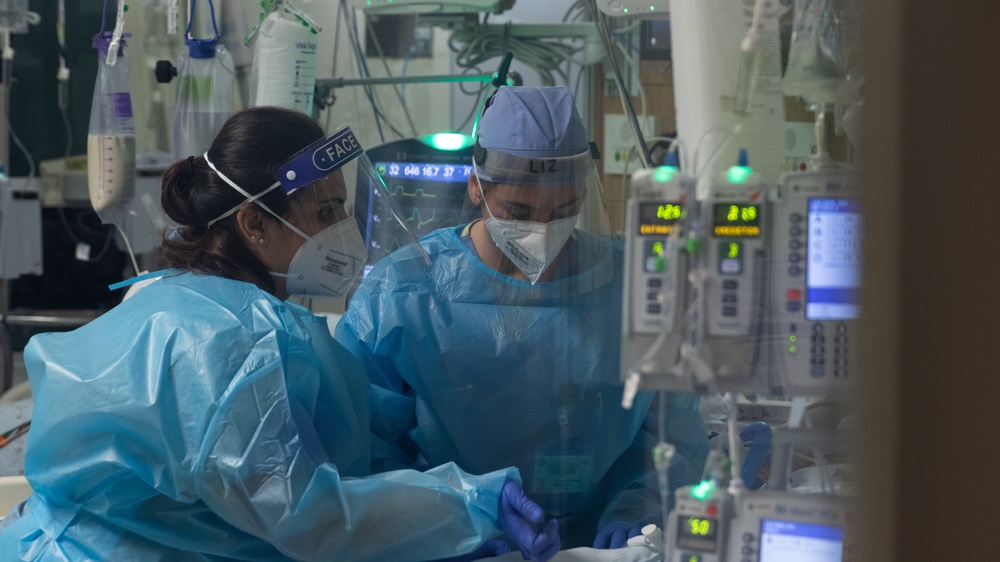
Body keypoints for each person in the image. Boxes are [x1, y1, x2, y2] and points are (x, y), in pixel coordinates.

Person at [0, 106, 561, 561]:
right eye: (326, 213)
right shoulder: (237, 344)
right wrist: (469, 506)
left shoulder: (174, 292)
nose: (343, 232)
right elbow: (308, 521)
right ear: (255, 224)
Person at [335, 86, 709, 549]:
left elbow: (672, 430)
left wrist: (641, 509)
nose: (543, 231)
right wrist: (454, 521)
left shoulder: (634, 286)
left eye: (565, 210)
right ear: (476, 187)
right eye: (520, 211)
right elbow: (367, 450)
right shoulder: (403, 295)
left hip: (602, 546)